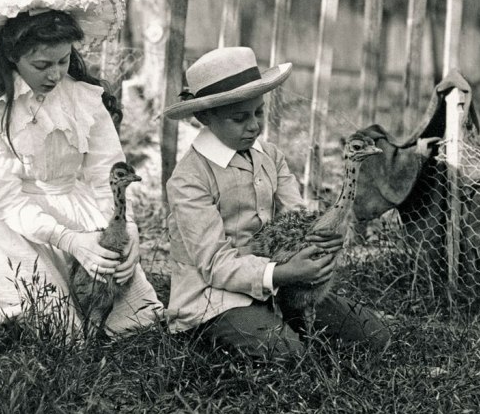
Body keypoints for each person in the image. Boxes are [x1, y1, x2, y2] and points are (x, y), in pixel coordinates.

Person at [0, 0, 163, 336]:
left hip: (74, 205)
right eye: (42, 64)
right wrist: (72, 241)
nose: (55, 74)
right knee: (60, 329)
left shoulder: (85, 100)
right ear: (13, 56)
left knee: (137, 322)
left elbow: (107, 174)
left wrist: (125, 232)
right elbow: (9, 200)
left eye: (63, 61)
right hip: (12, 222)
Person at [163, 46, 391, 362]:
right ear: (205, 116)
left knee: (373, 336)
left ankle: (280, 319)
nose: (254, 125)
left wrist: (325, 235)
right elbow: (214, 264)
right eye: (240, 118)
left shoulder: (270, 156)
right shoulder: (190, 178)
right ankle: (205, 335)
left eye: (259, 112)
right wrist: (284, 273)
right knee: (285, 353)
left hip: (284, 286)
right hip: (215, 297)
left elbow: (299, 216)